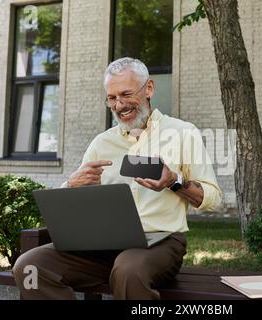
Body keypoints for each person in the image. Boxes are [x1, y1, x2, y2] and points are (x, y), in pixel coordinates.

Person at [12, 57, 222, 300]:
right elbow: (71, 204)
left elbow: (213, 198)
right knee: (28, 267)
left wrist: (173, 182)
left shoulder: (183, 133)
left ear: (149, 89)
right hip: (100, 245)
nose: (119, 105)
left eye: (126, 94)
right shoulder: (102, 142)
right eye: (111, 98)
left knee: (128, 270)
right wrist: (71, 185)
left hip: (160, 242)